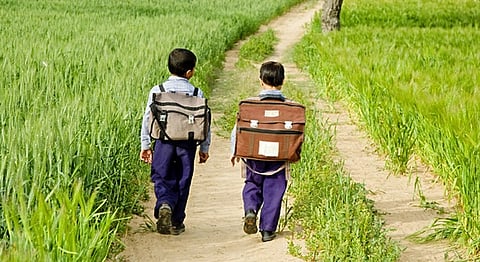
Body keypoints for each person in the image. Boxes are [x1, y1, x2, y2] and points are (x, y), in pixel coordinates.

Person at [140, 48, 210, 235]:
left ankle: (164, 204)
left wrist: (145, 145)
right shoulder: (197, 92)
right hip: (187, 145)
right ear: (189, 72)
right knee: (183, 180)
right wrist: (205, 147)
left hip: (163, 142)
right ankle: (177, 222)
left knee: (162, 176)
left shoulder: (158, 90)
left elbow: (147, 118)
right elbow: (205, 121)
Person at [230, 61, 290, 242]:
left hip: (254, 154)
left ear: (261, 81)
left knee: (252, 183)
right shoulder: (290, 107)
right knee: (274, 190)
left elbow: (238, 129)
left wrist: (235, 151)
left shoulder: (250, 105)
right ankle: (267, 230)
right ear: (283, 81)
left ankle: (250, 210)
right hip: (279, 156)